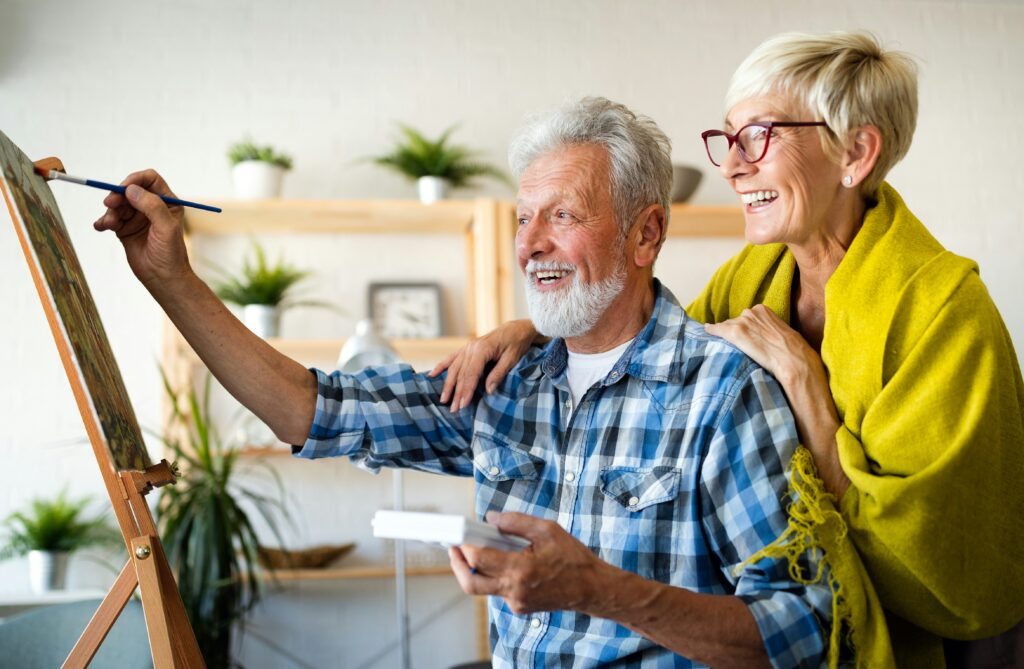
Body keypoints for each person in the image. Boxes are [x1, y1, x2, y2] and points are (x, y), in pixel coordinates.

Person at [95, 97, 832, 667]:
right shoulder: (504, 383)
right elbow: (305, 409)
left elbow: (803, 633)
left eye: (564, 215)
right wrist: (171, 278)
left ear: (646, 234)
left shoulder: (725, 393)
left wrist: (602, 591)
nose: (530, 243)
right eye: (522, 218)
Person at [432, 32, 1024, 667]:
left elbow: (952, 576)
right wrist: (542, 330)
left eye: (760, 136)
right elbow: (658, 346)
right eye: (728, 138)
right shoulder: (753, 275)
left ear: (855, 152)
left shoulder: (946, 312)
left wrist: (808, 393)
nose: (733, 165)